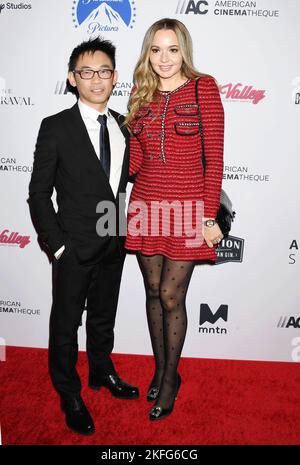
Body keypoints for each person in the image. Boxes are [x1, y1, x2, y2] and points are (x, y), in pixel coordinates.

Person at [28, 37, 139, 436]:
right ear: (73, 79)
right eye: (87, 72)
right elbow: (38, 194)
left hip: (114, 241)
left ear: (115, 77)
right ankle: (69, 392)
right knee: (65, 323)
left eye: (104, 71)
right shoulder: (55, 127)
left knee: (104, 318)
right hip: (72, 248)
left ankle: (101, 371)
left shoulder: (126, 125)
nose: (96, 79)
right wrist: (58, 246)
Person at [124, 18, 224, 421]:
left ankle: (170, 378)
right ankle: (159, 367)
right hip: (146, 204)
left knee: (170, 296)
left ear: (184, 50)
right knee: (151, 291)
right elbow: (135, 159)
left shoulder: (204, 88)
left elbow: (214, 159)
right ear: (148, 52)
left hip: (186, 209)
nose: (164, 58)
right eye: (156, 49)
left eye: (172, 49)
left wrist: (208, 215)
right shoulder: (139, 92)